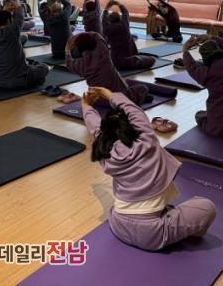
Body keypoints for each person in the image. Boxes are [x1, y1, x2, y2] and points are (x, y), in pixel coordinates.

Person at [82, 86, 216, 251]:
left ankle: (166, 219)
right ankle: (182, 229)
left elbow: (95, 127)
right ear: (134, 127)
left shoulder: (104, 151)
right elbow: (134, 111)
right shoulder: (147, 139)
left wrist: (86, 106)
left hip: (118, 224)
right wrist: (110, 95)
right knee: (206, 206)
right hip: (153, 233)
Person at [66, 32, 150, 105]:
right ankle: (137, 99)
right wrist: (80, 35)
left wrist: (67, 47)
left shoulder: (78, 64)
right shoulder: (102, 52)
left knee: (126, 82)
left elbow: (68, 60)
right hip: (117, 98)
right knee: (143, 88)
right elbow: (97, 35)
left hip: (97, 100)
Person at [0, 1, 49, 89]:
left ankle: (34, 77)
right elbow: (19, 18)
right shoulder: (12, 31)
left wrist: (4, 10)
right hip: (18, 80)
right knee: (45, 67)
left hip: (0, 81)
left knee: (33, 70)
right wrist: (17, 6)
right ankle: (34, 79)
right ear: (8, 21)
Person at [103, 0, 155, 71]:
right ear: (119, 18)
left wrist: (106, 8)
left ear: (109, 21)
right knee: (152, 60)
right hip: (129, 56)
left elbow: (104, 21)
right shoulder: (124, 24)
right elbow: (125, 13)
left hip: (116, 61)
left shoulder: (108, 28)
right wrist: (119, 4)